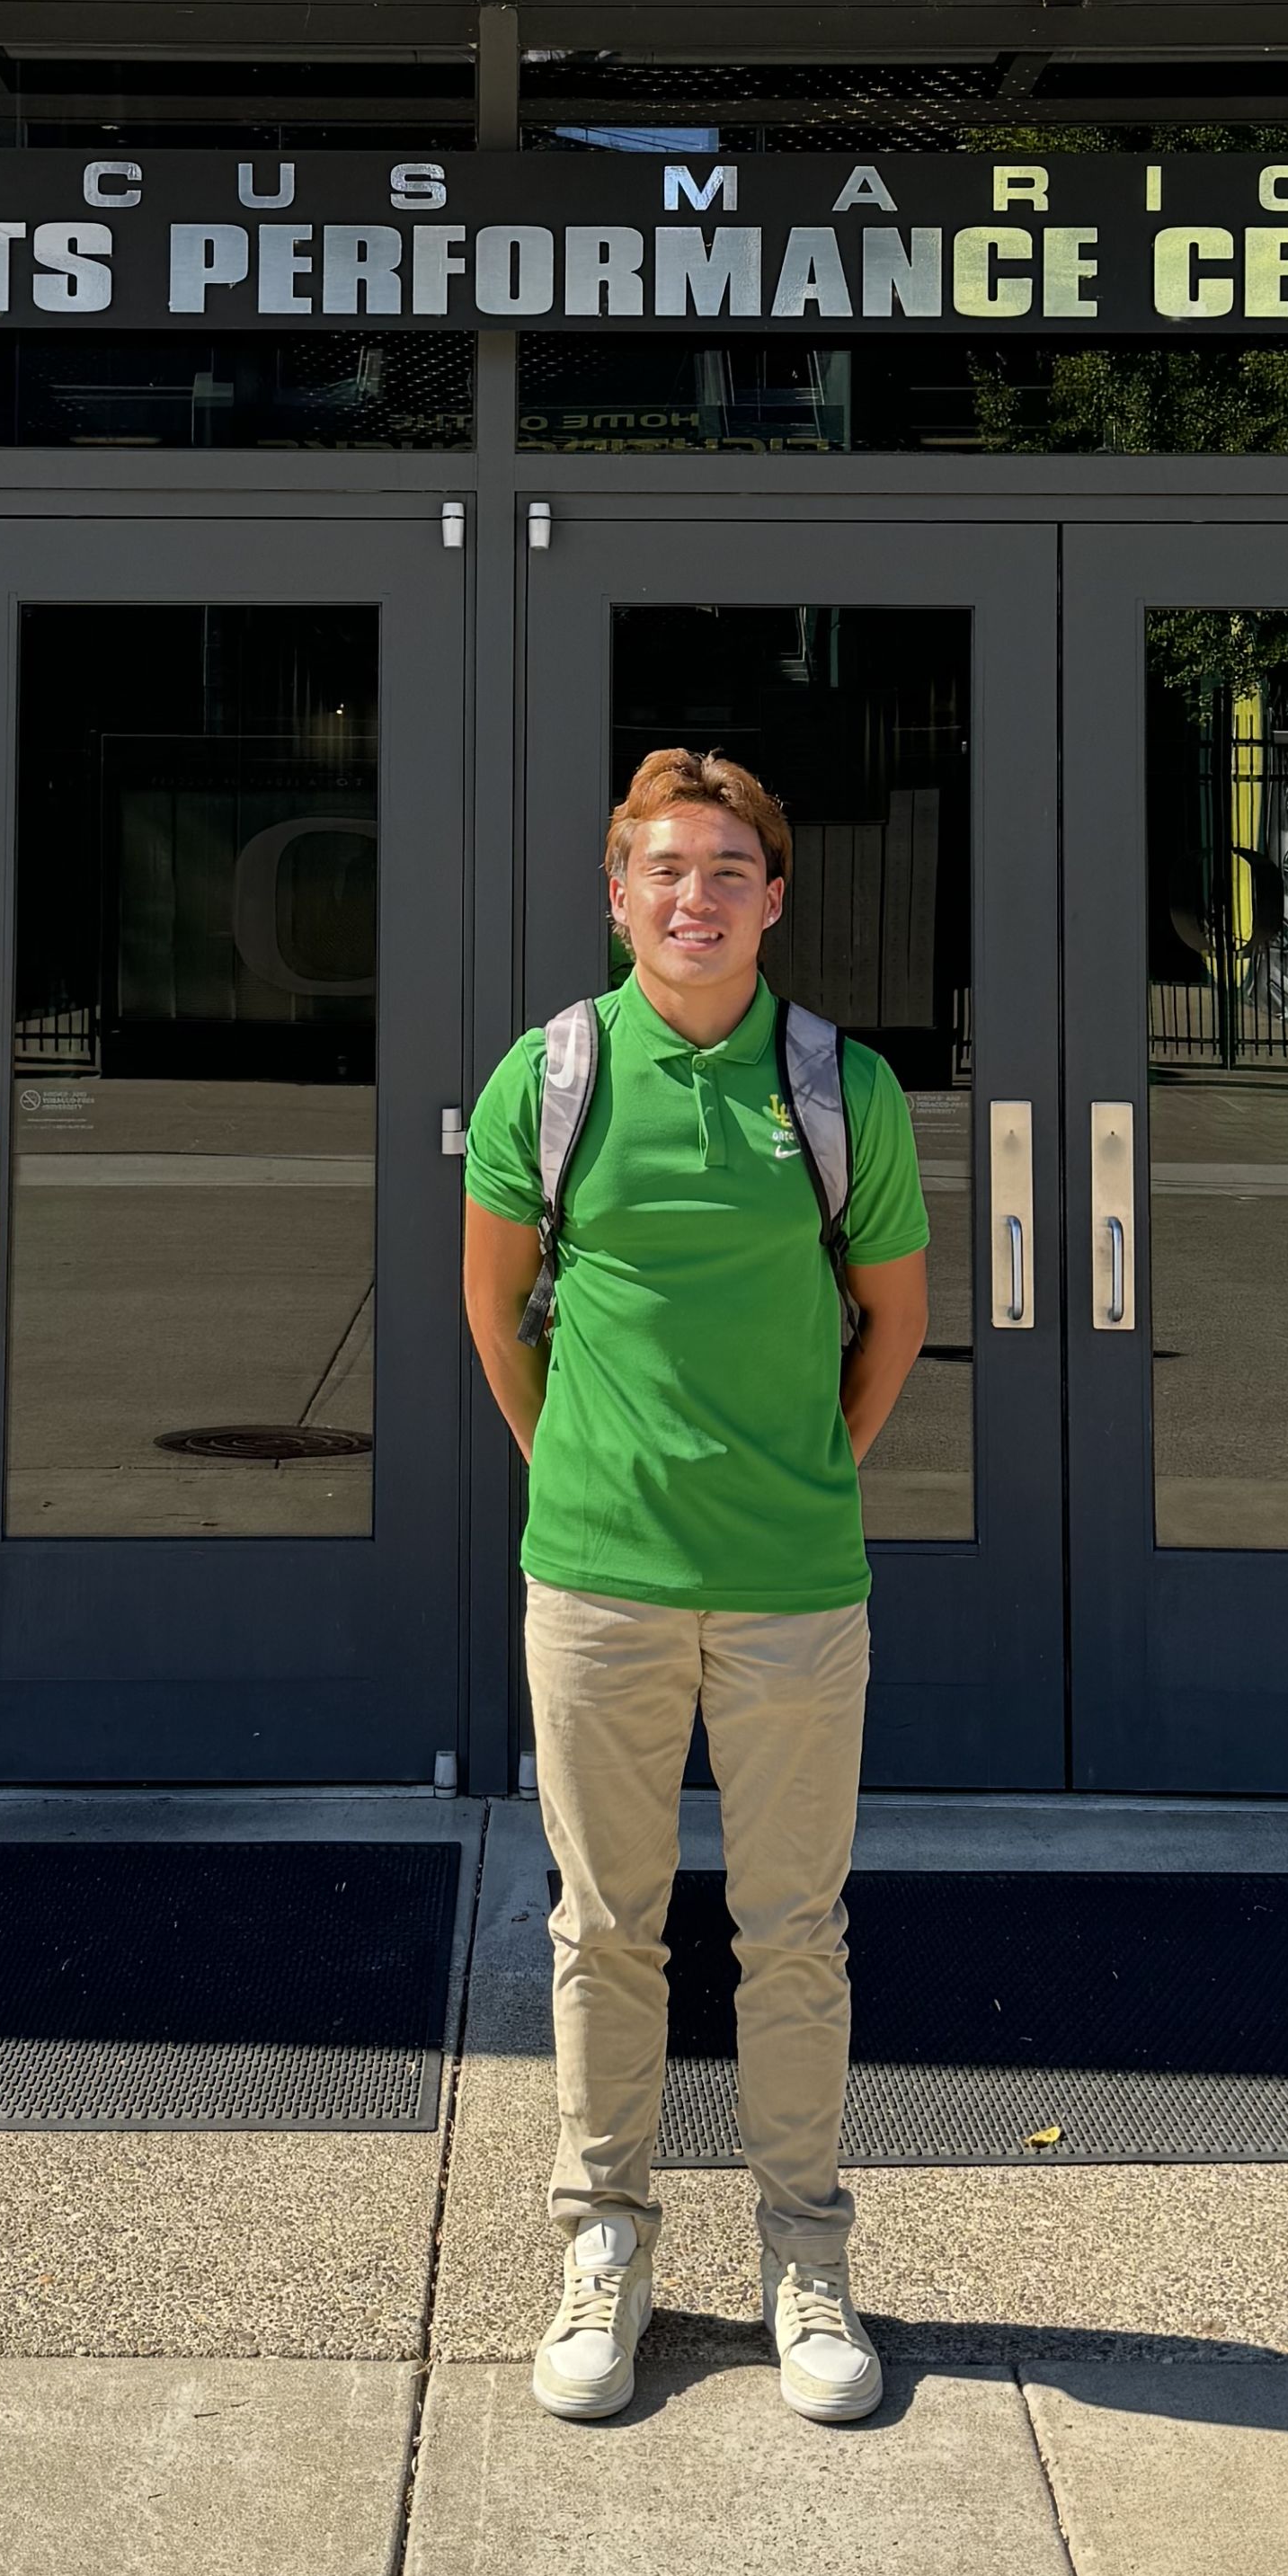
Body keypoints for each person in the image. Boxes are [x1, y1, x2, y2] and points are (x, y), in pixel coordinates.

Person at [462, 747, 931, 2429]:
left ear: (774, 895)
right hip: (595, 1584)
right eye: (666, 868)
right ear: (616, 891)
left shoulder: (839, 1086)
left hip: (797, 1586)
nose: (696, 897)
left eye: (729, 868)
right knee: (605, 1929)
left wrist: (804, 1480)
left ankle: (806, 2263)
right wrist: (581, 1474)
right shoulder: (554, 1073)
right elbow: (498, 1312)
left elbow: (889, 1323)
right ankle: (606, 2249)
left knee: (795, 1935)